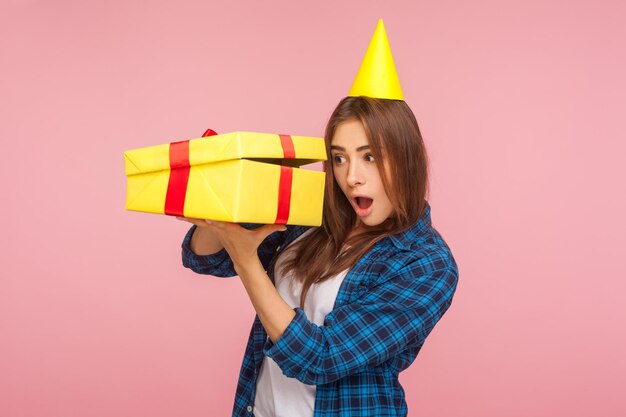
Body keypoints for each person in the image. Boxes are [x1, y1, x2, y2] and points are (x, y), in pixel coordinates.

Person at [177, 20, 458, 417]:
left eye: (370, 156)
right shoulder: (313, 216)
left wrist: (246, 262)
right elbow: (206, 259)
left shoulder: (426, 263)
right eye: (339, 157)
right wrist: (218, 210)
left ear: (406, 158)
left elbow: (320, 358)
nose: (351, 175)